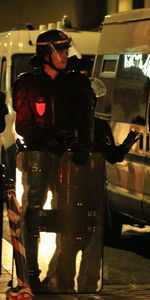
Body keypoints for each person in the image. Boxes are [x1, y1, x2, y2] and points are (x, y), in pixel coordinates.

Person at [12, 29, 95, 292]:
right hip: (39, 155)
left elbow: (86, 118)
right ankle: (30, 272)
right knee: (33, 211)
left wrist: (82, 147)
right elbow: (24, 123)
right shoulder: (28, 83)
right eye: (60, 50)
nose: (65, 55)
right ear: (46, 54)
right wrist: (47, 141)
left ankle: (61, 272)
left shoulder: (76, 84)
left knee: (71, 214)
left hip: (69, 158)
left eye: (65, 49)